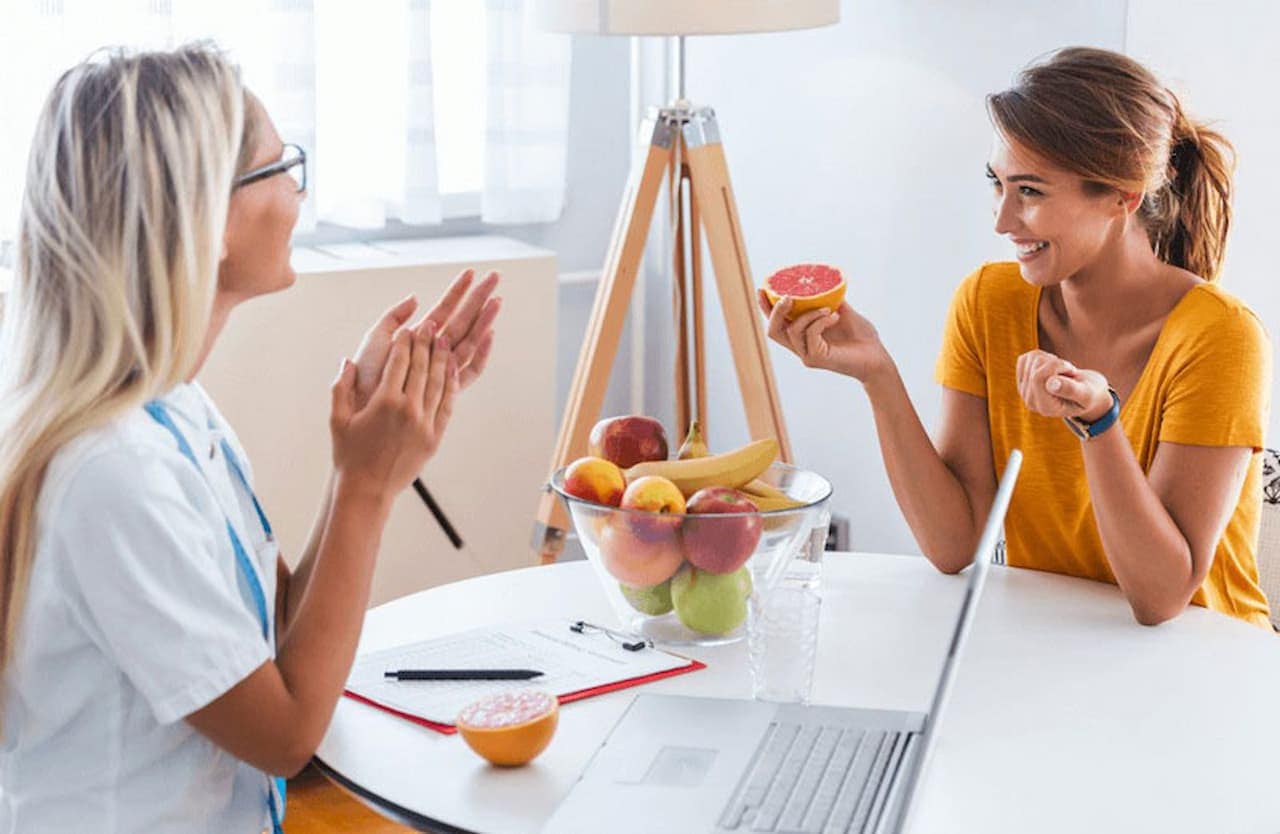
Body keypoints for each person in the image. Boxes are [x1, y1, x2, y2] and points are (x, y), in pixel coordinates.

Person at [0, 44, 502, 832]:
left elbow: (272, 635)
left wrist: (358, 466)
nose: (298, 190)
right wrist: (369, 489)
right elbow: (286, 737)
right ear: (205, 214)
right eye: (280, 166)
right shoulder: (111, 473)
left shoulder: (175, 408)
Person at [759, 46, 1272, 629]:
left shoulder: (1221, 337)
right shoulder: (988, 302)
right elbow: (954, 544)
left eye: (1030, 191)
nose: (1002, 221)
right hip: (1054, 642)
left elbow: (1161, 597)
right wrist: (877, 374)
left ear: (1122, 197)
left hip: (1209, 660)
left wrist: (1101, 424)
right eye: (996, 184)